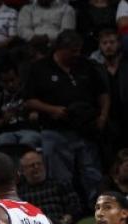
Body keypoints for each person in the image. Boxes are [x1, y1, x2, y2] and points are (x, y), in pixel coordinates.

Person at [24, 30, 109, 204]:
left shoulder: (86, 65)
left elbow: (103, 94)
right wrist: (52, 109)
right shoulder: (40, 68)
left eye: (78, 50)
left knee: (92, 174)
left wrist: (102, 117)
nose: (77, 54)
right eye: (73, 51)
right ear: (60, 49)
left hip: (86, 129)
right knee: (61, 177)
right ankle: (68, 211)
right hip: (55, 131)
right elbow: (29, 100)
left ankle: (98, 208)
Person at [18, 150, 83, 224]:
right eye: (32, 165)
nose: (36, 167)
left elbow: (75, 206)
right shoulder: (20, 192)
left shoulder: (59, 184)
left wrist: (69, 217)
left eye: (39, 164)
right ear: (23, 171)